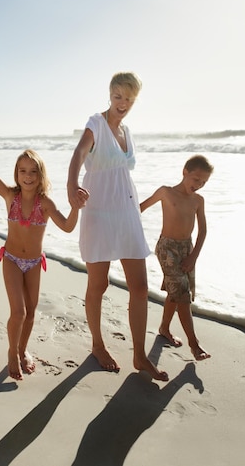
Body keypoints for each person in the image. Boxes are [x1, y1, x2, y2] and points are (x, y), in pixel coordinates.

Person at [67, 72, 168, 381]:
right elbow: (79, 154)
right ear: (109, 95)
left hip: (126, 210)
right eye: (118, 97)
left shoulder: (127, 131)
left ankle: (139, 354)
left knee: (140, 287)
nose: (123, 104)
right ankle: (97, 345)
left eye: (129, 99)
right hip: (98, 211)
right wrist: (71, 186)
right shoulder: (95, 124)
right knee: (99, 284)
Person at [0, 130, 85, 380]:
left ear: (40, 175)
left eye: (33, 171)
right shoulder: (10, 196)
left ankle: (23, 349)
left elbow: (68, 227)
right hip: (12, 260)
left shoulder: (45, 203)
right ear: (16, 174)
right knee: (19, 312)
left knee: (32, 312)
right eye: (22, 171)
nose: (27, 176)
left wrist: (76, 208)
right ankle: (12, 353)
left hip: (34, 263)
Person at [139, 155, 214, 361]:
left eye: (204, 182)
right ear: (185, 172)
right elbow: (140, 209)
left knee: (176, 292)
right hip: (167, 248)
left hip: (187, 250)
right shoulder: (166, 192)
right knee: (182, 295)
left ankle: (164, 328)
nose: (199, 185)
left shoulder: (198, 201)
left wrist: (194, 257)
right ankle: (194, 344)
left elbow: (203, 231)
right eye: (196, 179)